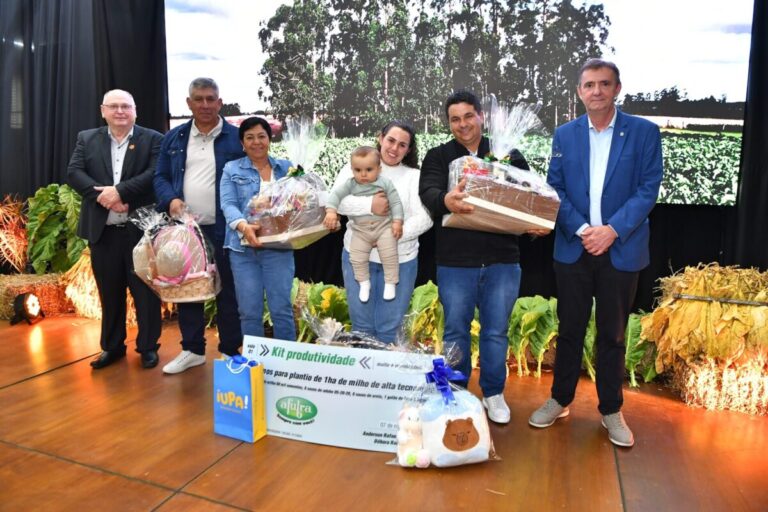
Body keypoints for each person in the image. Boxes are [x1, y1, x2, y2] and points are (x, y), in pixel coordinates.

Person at [528, 59, 663, 447]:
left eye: (604, 84)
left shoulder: (643, 132)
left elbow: (648, 188)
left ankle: (610, 409)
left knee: (613, 335)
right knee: (569, 329)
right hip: (575, 247)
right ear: (579, 92)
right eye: (589, 85)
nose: (597, 91)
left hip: (621, 249)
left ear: (617, 88)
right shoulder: (565, 135)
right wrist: (586, 230)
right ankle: (560, 399)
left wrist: (612, 230)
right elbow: (556, 190)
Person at [419, 90, 534, 424]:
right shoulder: (439, 156)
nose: (462, 125)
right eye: (455, 119)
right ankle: (455, 391)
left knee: (496, 331)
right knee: (455, 331)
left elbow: (529, 195)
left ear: (481, 117)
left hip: (503, 260)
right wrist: (445, 200)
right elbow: (428, 192)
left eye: (468, 116)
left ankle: (494, 393)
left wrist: (534, 223)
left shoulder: (507, 153)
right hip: (455, 263)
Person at [154, 78, 245, 374]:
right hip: (187, 231)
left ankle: (231, 350)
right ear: (189, 103)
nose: (205, 104)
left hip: (227, 229)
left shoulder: (237, 137)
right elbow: (160, 177)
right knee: (189, 289)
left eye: (210, 99)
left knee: (228, 291)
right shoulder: (175, 138)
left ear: (220, 103)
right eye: (199, 99)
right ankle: (192, 350)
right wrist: (171, 200)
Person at [67, 89, 162, 369]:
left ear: (135, 111)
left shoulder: (153, 139)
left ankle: (148, 347)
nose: (120, 111)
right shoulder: (87, 138)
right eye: (114, 106)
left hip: (140, 233)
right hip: (104, 232)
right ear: (103, 110)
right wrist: (102, 197)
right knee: (109, 293)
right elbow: (74, 172)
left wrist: (119, 193)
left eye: (126, 106)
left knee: (145, 294)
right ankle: (112, 347)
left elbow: (154, 174)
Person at [332, 121, 432, 342]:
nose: (394, 149)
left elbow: (425, 217)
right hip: (358, 256)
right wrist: (370, 206)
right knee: (361, 327)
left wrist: (391, 235)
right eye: (391, 141)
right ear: (380, 138)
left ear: (408, 150)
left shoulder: (414, 176)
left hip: (401, 260)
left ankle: (383, 377)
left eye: (402, 145)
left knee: (389, 328)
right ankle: (362, 376)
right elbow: (338, 201)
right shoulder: (358, 165)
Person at [220, 116, 296, 341]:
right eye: (249, 138)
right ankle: (255, 367)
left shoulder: (287, 167)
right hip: (243, 250)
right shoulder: (231, 169)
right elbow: (228, 204)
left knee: (281, 310)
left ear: (269, 139)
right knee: (249, 312)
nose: (256, 142)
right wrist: (244, 227)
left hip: (279, 248)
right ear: (242, 142)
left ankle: (286, 366)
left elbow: (301, 200)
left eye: (261, 136)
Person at [325, 147, 404, 303]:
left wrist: (397, 222)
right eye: (358, 170)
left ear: (379, 169)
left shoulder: (385, 183)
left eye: (369, 169)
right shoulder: (350, 184)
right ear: (352, 170)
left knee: (389, 254)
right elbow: (335, 195)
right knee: (356, 257)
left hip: (384, 228)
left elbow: (396, 203)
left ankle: (390, 282)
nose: (363, 174)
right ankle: (363, 282)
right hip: (360, 230)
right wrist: (331, 212)